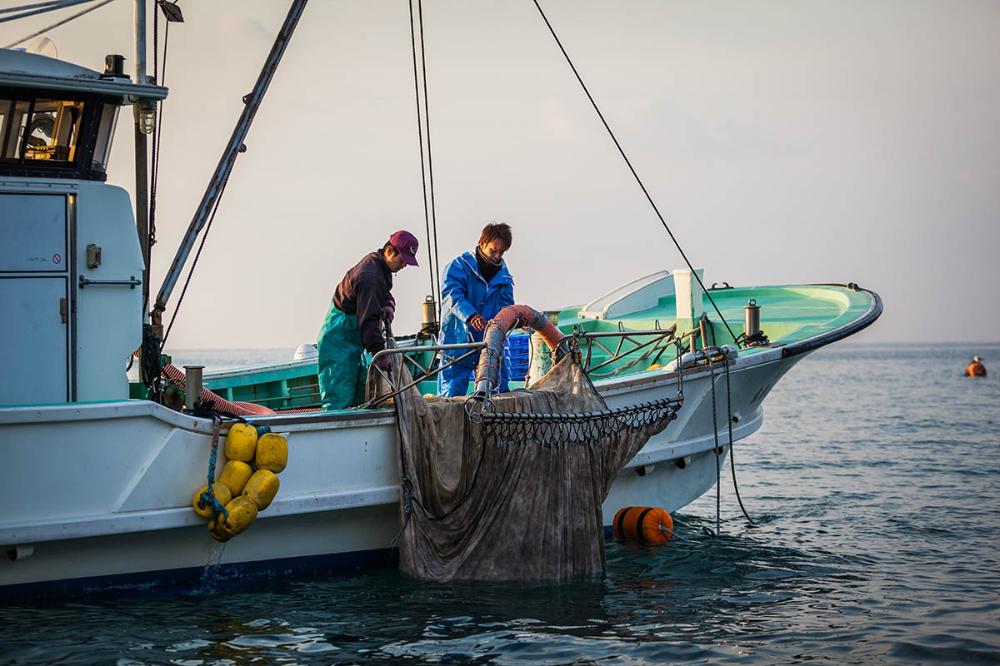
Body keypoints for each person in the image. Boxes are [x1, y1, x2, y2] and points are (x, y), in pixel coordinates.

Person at [317, 230, 419, 410]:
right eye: (402, 259)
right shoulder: (370, 275)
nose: (404, 265)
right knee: (338, 396)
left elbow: (383, 293)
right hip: (339, 337)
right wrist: (379, 353)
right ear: (389, 251)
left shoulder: (381, 267)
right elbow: (369, 320)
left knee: (360, 392)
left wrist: (388, 304)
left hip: (354, 337)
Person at [438, 223, 515, 397]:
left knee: (499, 390)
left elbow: (507, 306)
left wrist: (509, 321)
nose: (496, 257)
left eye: (501, 253)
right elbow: (452, 295)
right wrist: (471, 315)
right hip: (458, 340)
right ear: (482, 244)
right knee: (452, 391)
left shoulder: (504, 276)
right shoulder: (458, 267)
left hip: (490, 342)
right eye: (493, 251)